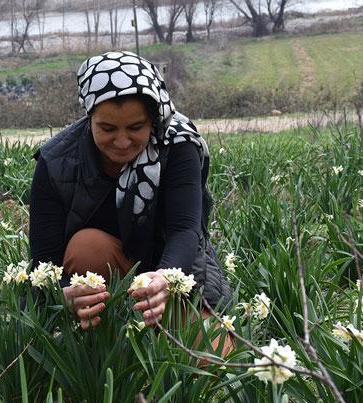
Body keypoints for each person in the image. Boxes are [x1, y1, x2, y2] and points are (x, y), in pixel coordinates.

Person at [29, 51, 233, 352]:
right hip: (104, 271)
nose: (122, 142)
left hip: (169, 272)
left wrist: (165, 279)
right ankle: (105, 343)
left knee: (214, 358)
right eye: (107, 129)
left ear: (152, 119)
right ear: (89, 118)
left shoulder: (178, 144)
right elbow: (43, 263)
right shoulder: (57, 161)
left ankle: (155, 332)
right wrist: (64, 296)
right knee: (87, 244)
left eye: (135, 128)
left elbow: (184, 230)